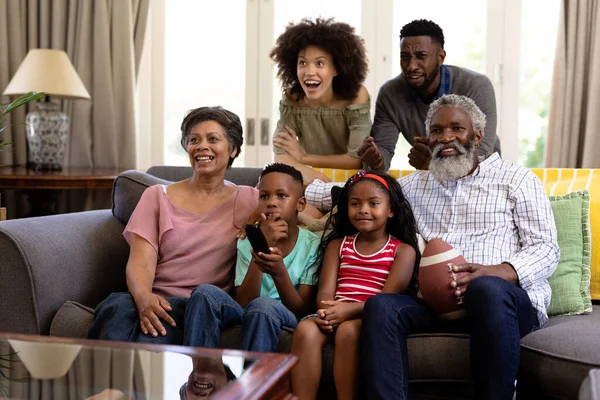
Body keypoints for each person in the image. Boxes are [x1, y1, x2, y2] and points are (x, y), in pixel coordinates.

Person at [357, 95, 560, 400]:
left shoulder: (516, 179)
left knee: (486, 289)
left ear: (477, 135)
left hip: (501, 302)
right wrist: (288, 189)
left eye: (457, 128)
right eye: (437, 131)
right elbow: (357, 195)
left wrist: (498, 272)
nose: (446, 137)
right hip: (436, 304)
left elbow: (546, 248)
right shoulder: (415, 186)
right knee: (382, 306)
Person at [88, 106, 258, 345]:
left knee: (160, 326)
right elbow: (140, 262)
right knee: (116, 308)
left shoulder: (251, 200)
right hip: (151, 296)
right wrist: (144, 297)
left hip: (200, 305)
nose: (201, 146)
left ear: (233, 149)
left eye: (213, 139)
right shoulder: (157, 196)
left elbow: (295, 201)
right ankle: (104, 381)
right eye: (194, 140)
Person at [291, 170, 420, 400]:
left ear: (390, 210)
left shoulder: (402, 251)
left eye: (373, 203)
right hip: (334, 311)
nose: (363, 210)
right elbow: (325, 294)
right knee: (305, 330)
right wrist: (328, 312)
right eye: (355, 203)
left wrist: (347, 312)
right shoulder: (338, 246)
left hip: (366, 316)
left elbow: (387, 300)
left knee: (348, 332)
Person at [181, 163, 321, 352]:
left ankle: (255, 381)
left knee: (263, 306)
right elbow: (244, 301)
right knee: (204, 293)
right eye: (264, 196)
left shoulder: (313, 245)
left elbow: (302, 308)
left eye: (281, 195)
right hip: (248, 308)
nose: (271, 202)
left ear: (300, 204)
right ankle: (199, 374)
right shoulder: (247, 241)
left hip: (285, 314)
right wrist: (261, 245)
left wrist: (279, 272)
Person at [358, 19, 501, 172]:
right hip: (432, 179)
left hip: (484, 178)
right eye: (405, 57)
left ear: (441, 57)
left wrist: (434, 163)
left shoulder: (475, 85)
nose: (411, 66)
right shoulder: (391, 94)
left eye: (421, 56)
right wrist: (376, 160)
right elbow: (383, 155)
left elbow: (482, 154)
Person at [270, 17, 372, 185]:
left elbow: (355, 159)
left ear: (336, 68)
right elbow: (280, 153)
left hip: (355, 182)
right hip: (314, 180)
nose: (309, 71)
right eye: (302, 62)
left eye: (319, 63)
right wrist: (305, 171)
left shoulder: (356, 96)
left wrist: (303, 158)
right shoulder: (292, 99)